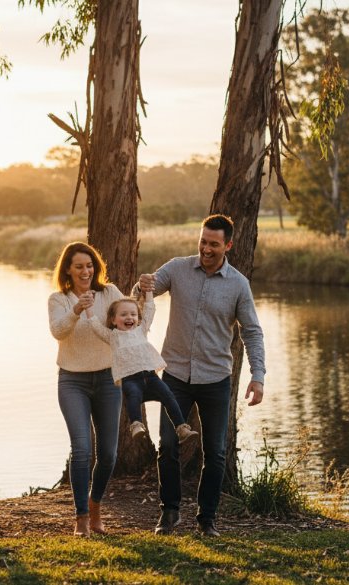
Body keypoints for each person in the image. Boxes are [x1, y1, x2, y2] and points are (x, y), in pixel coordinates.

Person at [137, 214, 266, 537]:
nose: (206, 249)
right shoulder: (178, 269)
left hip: (215, 380)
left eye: (214, 244)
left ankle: (207, 519)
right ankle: (169, 512)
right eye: (203, 241)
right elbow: (145, 293)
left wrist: (258, 374)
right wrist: (142, 287)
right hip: (176, 376)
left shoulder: (238, 284)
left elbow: (252, 332)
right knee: (168, 445)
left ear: (228, 245)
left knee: (216, 452)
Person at [48, 241, 124, 536]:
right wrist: (77, 310)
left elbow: (129, 322)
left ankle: (95, 507)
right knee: (81, 449)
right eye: (78, 266)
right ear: (68, 269)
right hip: (72, 381)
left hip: (108, 379)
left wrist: (143, 298)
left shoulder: (110, 293)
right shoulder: (59, 299)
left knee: (108, 454)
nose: (85, 271)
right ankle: (81, 518)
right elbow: (58, 331)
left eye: (90, 265)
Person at [85, 294, 199, 444]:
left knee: (168, 396)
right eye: (123, 314)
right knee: (133, 395)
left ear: (138, 319)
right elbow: (95, 327)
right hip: (130, 378)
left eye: (133, 314)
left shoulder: (141, 330)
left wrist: (149, 293)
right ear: (113, 320)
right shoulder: (113, 336)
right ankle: (137, 425)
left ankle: (181, 428)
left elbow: (150, 310)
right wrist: (87, 308)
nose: (129, 317)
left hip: (151, 376)